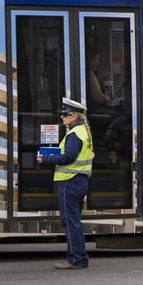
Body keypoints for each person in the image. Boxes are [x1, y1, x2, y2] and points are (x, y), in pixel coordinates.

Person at [36, 98, 94, 269]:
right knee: (73, 221)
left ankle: (77, 259)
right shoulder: (83, 132)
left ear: (74, 116)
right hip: (78, 181)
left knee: (70, 221)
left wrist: (45, 158)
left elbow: (69, 157)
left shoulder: (75, 134)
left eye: (64, 114)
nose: (61, 117)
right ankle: (77, 258)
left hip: (69, 181)